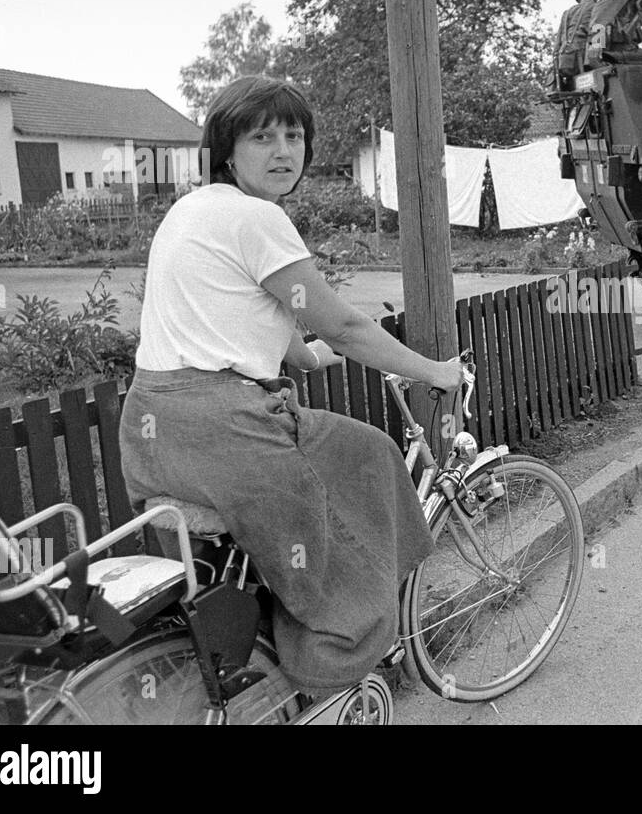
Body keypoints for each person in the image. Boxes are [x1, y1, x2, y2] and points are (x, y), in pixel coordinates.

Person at [118, 76, 463, 699]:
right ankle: (334, 649)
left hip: (153, 430)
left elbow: (232, 308)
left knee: (320, 476)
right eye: (262, 136)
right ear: (227, 149)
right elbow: (348, 324)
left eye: (294, 135)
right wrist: (436, 371)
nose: (283, 150)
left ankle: (269, 624)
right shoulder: (258, 218)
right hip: (225, 430)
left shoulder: (191, 209)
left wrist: (306, 355)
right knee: (372, 457)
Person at [555, 0, 600, 87]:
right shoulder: (597, 8)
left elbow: (557, 45)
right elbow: (598, 33)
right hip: (585, 63)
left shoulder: (566, 13)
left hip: (564, 62)